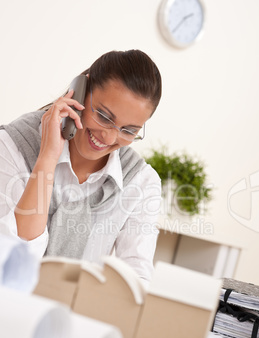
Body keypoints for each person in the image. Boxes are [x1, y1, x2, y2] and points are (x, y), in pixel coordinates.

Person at [0, 49, 162, 284]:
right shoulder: (12, 145)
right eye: (104, 117)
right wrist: (46, 158)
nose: (108, 138)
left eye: (129, 130)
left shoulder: (140, 181)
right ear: (80, 92)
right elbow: (15, 264)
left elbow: (136, 282)